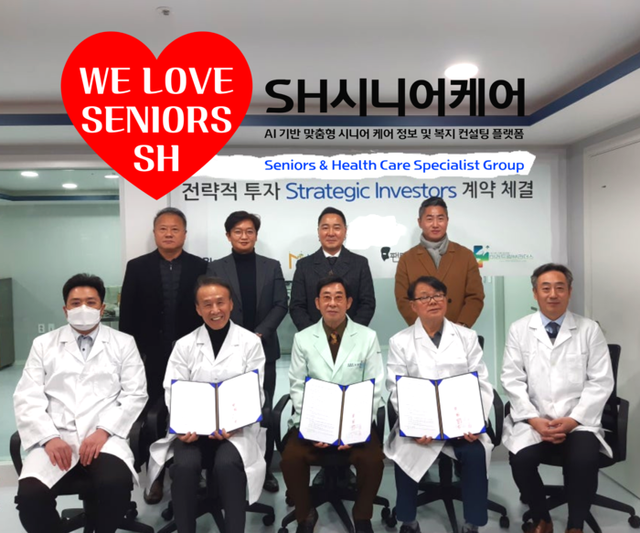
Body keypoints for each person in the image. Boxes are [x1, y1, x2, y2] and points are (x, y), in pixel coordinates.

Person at [14, 273, 148, 533]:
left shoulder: (123, 343)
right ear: (65, 309)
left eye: (91, 302)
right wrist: (49, 437)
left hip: (105, 437)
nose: (83, 308)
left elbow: (135, 393)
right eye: (76, 303)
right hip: (57, 436)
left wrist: (104, 430)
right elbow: (27, 396)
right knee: (30, 497)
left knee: (115, 485)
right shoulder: (43, 344)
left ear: (102, 308)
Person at [147, 276, 266, 533]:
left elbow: (255, 390)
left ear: (231, 304)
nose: (215, 310)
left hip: (236, 429)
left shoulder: (250, 342)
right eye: (207, 304)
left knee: (227, 464)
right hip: (192, 430)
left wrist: (235, 423)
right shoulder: (184, 345)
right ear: (198, 309)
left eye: (220, 302)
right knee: (184, 467)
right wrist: (183, 425)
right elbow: (172, 389)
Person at [501, 263, 614, 533]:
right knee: (521, 460)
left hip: (578, 421)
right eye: (546, 288)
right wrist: (533, 419)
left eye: (560, 288)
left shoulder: (589, 330)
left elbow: (601, 381)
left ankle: (575, 525)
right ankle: (543, 518)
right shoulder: (519, 329)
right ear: (535, 293)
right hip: (535, 420)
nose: (553, 294)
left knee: (584, 460)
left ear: (569, 292)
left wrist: (574, 420)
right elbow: (512, 379)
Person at [385, 276, 493, 533]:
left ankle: (472, 524)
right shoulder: (399, 341)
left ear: (446, 300)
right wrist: (415, 426)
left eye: (438, 295)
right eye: (424, 297)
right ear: (413, 305)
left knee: (475, 452)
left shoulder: (467, 337)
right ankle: (409, 521)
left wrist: (474, 422)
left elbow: (481, 383)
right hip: (420, 425)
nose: (432, 301)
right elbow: (396, 388)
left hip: (461, 423)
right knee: (405, 449)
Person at [280, 275, 385, 533]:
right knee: (291, 458)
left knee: (373, 460)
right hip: (314, 423)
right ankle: (305, 513)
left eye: (339, 297)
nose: (332, 303)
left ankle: (362, 515)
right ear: (317, 303)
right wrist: (315, 428)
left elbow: (374, 387)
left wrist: (354, 429)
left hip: (355, 423)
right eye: (326, 298)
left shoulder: (367, 337)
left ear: (349, 302)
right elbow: (297, 387)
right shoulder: (303, 339)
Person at [119, 206, 207, 503]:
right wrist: (132, 357)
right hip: (150, 357)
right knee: (153, 417)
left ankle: (194, 471)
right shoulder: (137, 267)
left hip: (191, 356)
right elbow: (127, 317)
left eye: (175, 229)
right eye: (163, 229)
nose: (169, 234)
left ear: (185, 233)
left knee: (193, 413)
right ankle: (155, 476)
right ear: (155, 233)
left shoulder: (199, 267)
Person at [207, 210, 288, 492]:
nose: (244, 236)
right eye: (238, 231)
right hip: (225, 349)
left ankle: (262, 467)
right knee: (228, 410)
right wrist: (238, 337)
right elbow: (212, 307)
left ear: (256, 235)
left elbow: (281, 304)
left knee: (263, 411)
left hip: (264, 348)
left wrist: (258, 334)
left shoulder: (271, 266)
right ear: (228, 235)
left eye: (249, 231)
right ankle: (226, 467)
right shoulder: (215, 268)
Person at [395, 197, 484, 328]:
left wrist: (461, 327)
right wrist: (424, 328)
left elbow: (475, 296)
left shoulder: (466, 255)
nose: (435, 224)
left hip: (459, 330)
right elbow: (403, 300)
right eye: (429, 219)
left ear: (447, 220)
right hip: (422, 332)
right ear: (420, 222)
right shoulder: (407, 259)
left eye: (440, 218)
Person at [289, 207, 375, 331]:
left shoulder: (360, 263)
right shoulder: (304, 265)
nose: (330, 233)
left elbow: (367, 304)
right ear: (318, 231)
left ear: (345, 231)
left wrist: (350, 333)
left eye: (336, 228)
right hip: (313, 337)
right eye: (325, 228)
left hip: (351, 337)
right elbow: (297, 307)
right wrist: (313, 335)